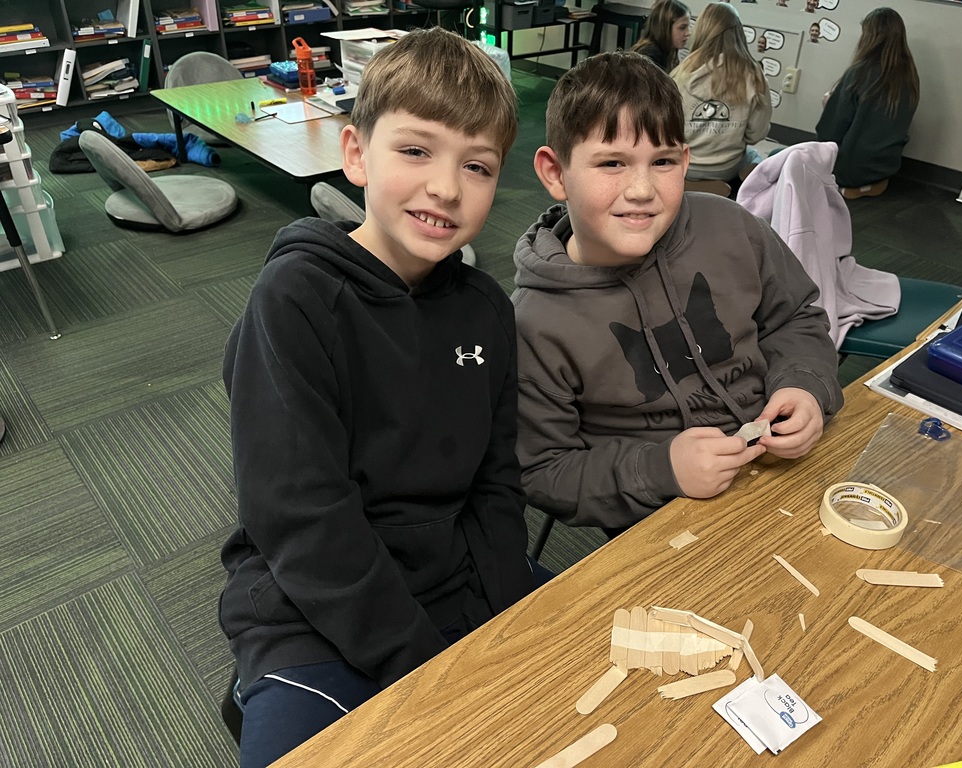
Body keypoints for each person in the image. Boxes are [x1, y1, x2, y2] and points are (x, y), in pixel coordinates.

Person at [219, 28, 541, 768]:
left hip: (454, 582)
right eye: (416, 151)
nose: (447, 187)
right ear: (357, 154)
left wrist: (507, 614)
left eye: (478, 166)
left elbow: (497, 483)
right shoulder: (297, 297)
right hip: (313, 610)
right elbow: (302, 520)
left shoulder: (487, 309)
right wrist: (422, 665)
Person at [513, 51, 843, 535]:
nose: (643, 189)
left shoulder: (734, 227)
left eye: (662, 161)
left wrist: (804, 386)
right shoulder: (533, 322)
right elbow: (544, 471)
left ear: (685, 161)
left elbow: (795, 317)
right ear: (555, 173)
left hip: (787, 468)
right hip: (662, 513)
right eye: (612, 163)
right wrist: (662, 469)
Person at [816, 7, 920, 198]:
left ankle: (846, 185)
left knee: (779, 157)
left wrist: (828, 105)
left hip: (848, 168)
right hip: (887, 166)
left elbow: (830, 132)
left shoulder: (858, 73)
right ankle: (868, 185)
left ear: (870, 37)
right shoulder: (909, 76)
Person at [670, 2, 772, 185]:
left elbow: (669, 129)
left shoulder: (681, 73)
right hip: (727, 167)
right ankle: (734, 192)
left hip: (685, 165)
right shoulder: (755, 75)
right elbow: (757, 135)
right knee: (755, 157)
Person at [630, 0, 691, 72]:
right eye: (682, 27)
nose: (688, 33)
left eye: (688, 27)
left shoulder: (669, 51)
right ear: (665, 27)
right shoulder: (650, 56)